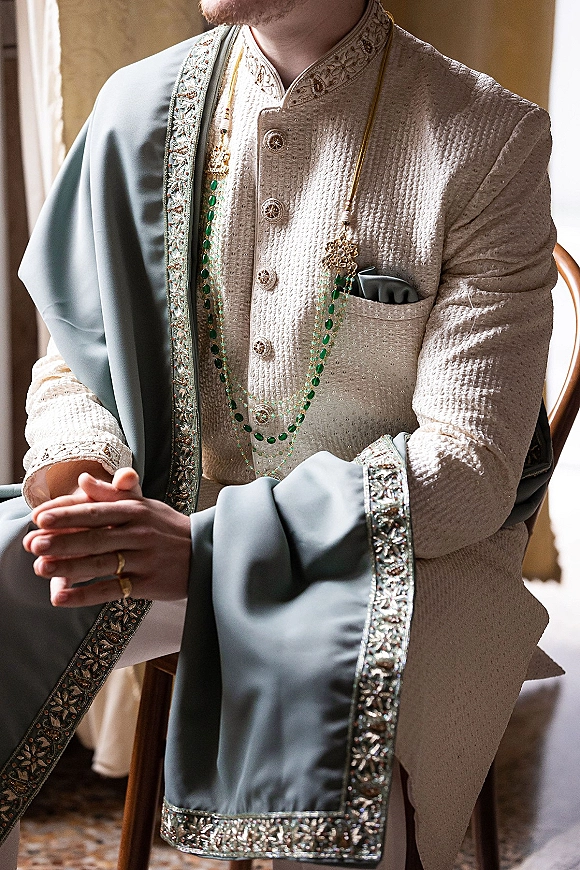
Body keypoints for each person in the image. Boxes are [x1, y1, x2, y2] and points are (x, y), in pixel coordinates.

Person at [0, 1, 561, 868]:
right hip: (160, 520)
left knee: (342, 728)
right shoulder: (134, 111)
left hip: (396, 552)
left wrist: (213, 547)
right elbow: (75, 366)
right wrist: (84, 475)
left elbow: (470, 472)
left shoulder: (487, 139)